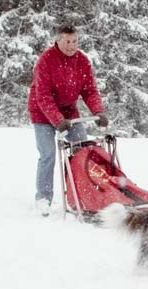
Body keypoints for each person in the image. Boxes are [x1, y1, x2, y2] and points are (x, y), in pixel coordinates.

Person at [28, 24, 108, 217]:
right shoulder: (46, 61)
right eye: (68, 42)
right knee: (48, 154)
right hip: (42, 113)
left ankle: (81, 194)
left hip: (69, 112)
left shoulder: (82, 61)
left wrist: (98, 111)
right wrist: (57, 120)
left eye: (75, 41)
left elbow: (89, 91)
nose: (72, 46)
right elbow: (43, 96)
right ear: (58, 40)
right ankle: (43, 199)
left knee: (81, 151)